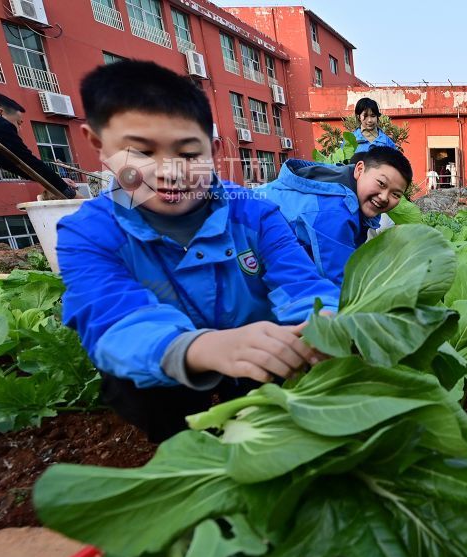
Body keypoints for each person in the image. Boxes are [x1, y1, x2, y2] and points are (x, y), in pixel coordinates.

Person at [56, 61, 339, 443]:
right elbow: (114, 320)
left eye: (189, 155)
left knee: (283, 395)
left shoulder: (255, 214)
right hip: (167, 366)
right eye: (139, 153)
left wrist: (324, 324)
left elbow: (302, 284)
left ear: (215, 150)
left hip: (257, 353)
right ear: (97, 145)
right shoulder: (88, 232)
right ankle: (180, 443)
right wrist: (202, 346)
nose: (168, 172)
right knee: (133, 386)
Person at [257, 146, 412, 287]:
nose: (385, 197)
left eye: (396, 194)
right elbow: (337, 283)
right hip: (243, 246)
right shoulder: (335, 211)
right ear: (359, 170)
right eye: (381, 183)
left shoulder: (337, 181)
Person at [0, 92, 80, 199]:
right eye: (18, 123)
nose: (18, 129)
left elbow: (19, 165)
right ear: (0, 113)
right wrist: (73, 195)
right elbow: (28, 162)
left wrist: (58, 181)